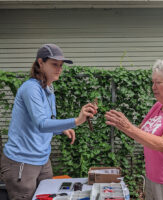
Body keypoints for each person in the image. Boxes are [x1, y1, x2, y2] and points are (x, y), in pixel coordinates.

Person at [0, 44, 98, 200]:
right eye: (54, 64)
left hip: (43, 160)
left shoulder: (48, 89)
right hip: (22, 162)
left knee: (49, 196)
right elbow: (41, 124)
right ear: (40, 62)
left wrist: (61, 129)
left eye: (60, 65)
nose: (59, 69)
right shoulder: (31, 89)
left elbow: (47, 122)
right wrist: (76, 121)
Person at [105, 59, 163, 200]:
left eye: (158, 82)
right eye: (153, 82)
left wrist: (129, 127)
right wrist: (123, 126)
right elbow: (141, 132)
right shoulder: (158, 106)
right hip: (153, 176)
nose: (153, 87)